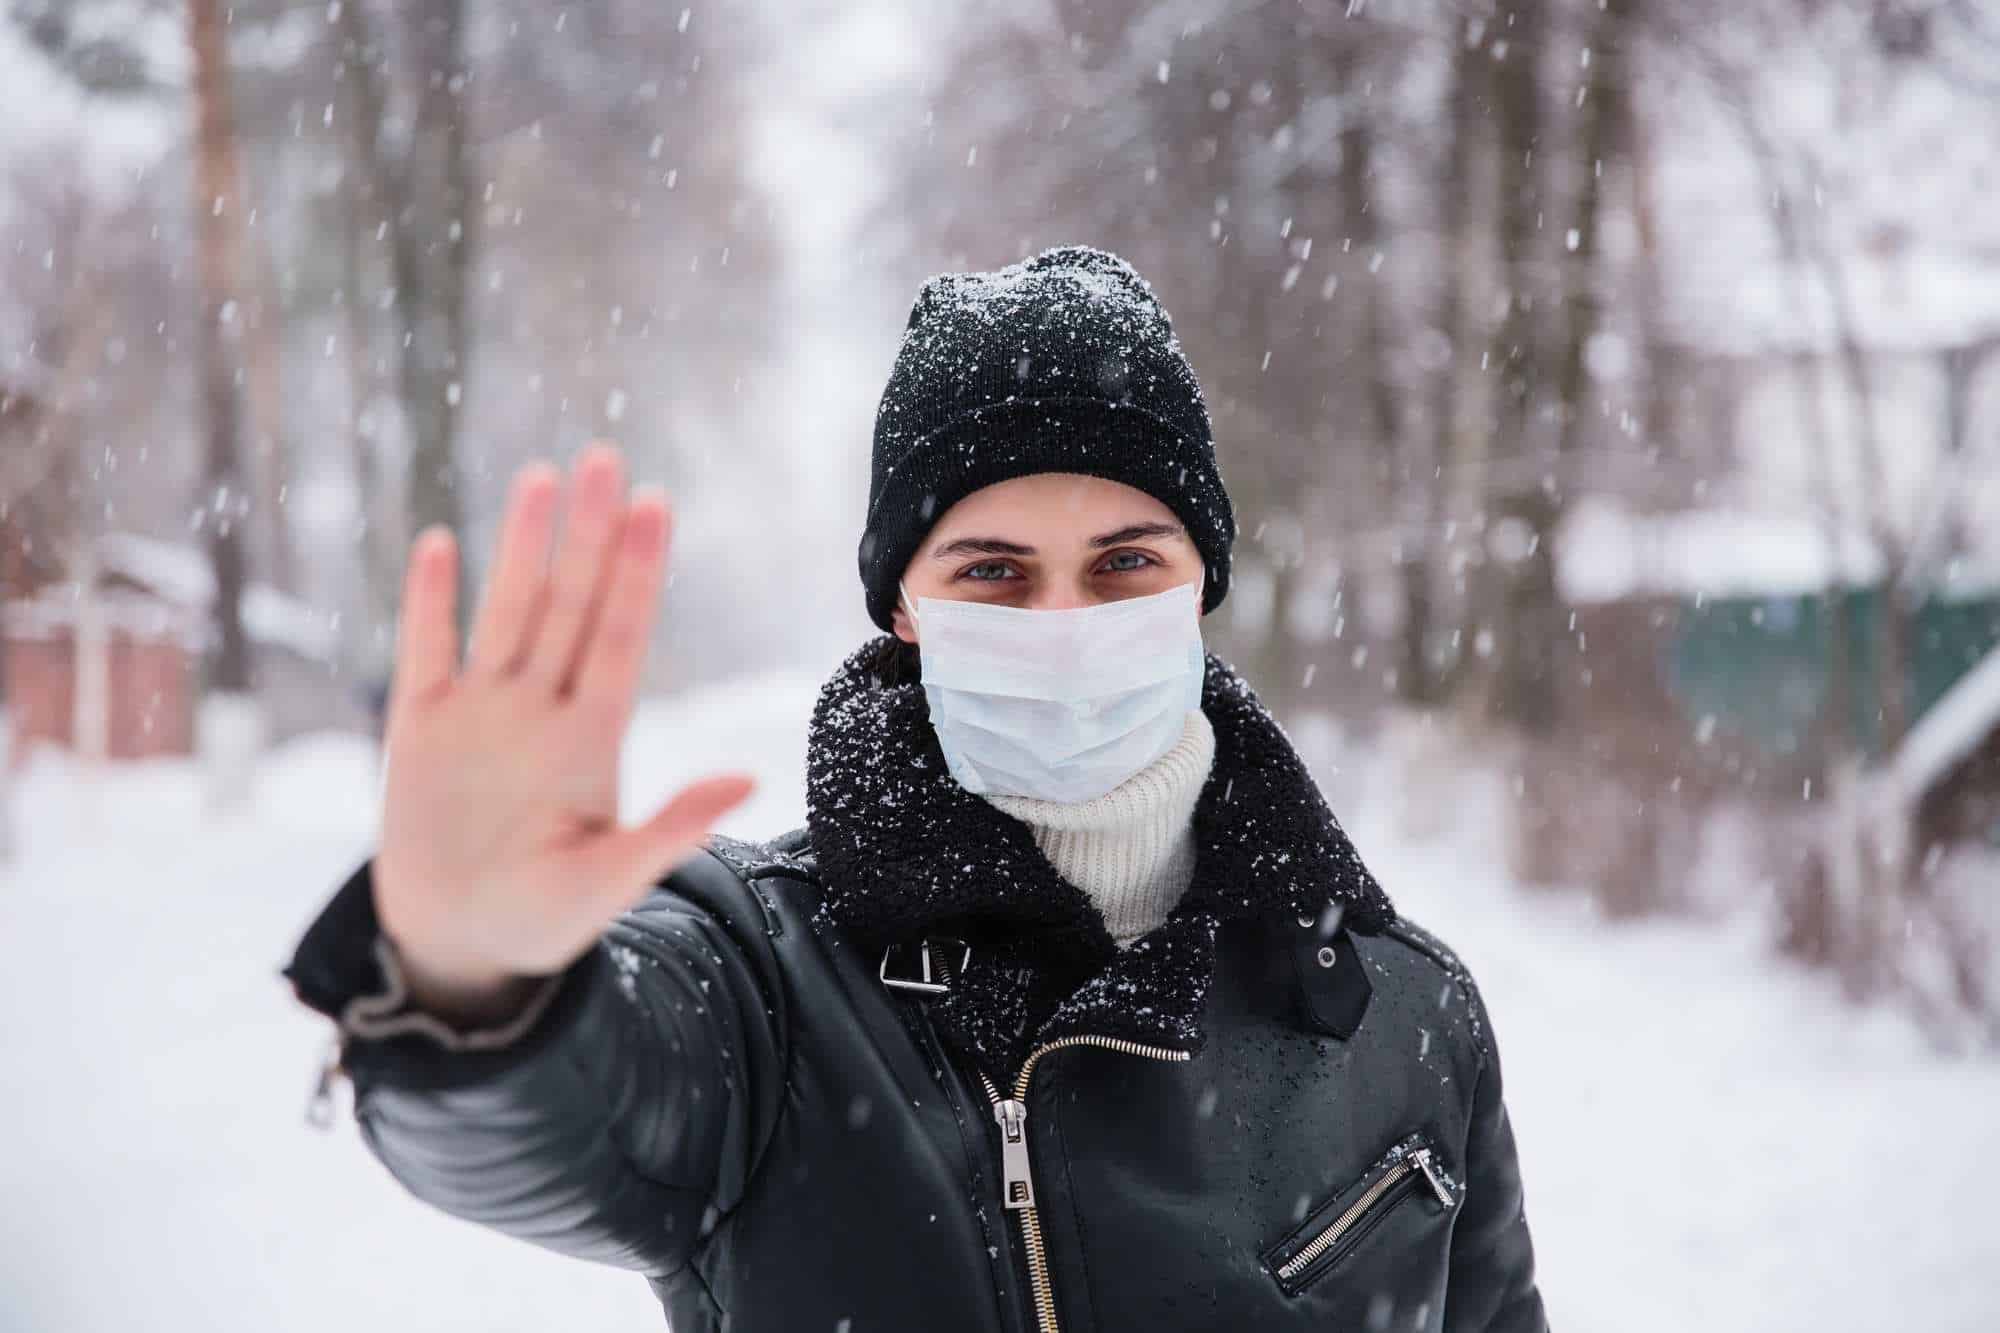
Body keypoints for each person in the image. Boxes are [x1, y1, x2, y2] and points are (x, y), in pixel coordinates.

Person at [283, 244, 1547, 1332]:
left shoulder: (1398, 1010)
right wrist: (470, 986)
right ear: (903, 606)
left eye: (1123, 561)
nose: (1063, 618)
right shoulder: (759, 986)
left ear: (1197, 584)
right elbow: (550, 1133)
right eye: (993, 572)